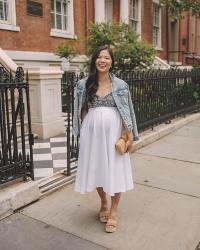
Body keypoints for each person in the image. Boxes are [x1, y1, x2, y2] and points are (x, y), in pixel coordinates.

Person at [72, 45, 139, 233]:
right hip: (92, 136)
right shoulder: (83, 84)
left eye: (107, 58)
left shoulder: (121, 85)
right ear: (94, 60)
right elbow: (80, 110)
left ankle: (114, 211)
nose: (103, 60)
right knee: (97, 169)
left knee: (115, 170)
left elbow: (128, 111)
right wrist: (86, 129)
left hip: (113, 135)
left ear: (111, 62)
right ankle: (103, 202)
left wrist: (128, 135)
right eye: (99, 57)